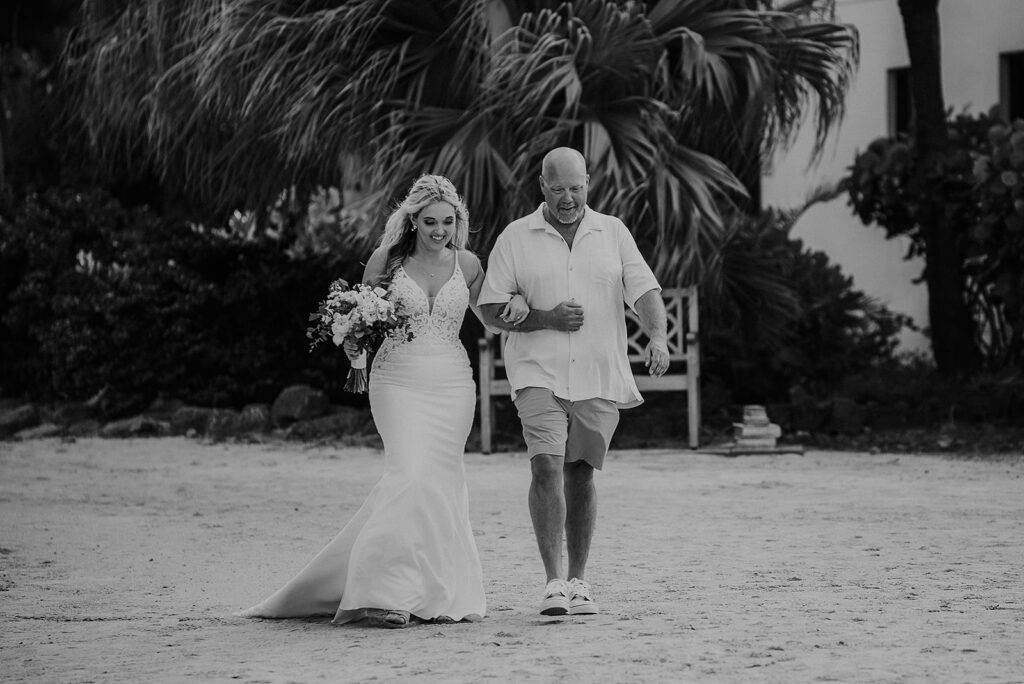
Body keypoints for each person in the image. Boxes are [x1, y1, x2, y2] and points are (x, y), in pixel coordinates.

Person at [240, 175, 529, 628]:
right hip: (397, 382)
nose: (439, 230)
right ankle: (378, 595)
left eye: (447, 222)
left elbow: (490, 319)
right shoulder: (387, 261)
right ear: (412, 220)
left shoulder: (469, 264)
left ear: (458, 222)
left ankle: (430, 591)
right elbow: (360, 320)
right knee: (409, 474)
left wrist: (516, 309)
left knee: (439, 482)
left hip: (453, 385)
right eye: (430, 221)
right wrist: (352, 344)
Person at [477, 147, 670, 617]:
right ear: (541, 186)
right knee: (545, 465)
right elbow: (487, 309)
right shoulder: (515, 238)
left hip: (596, 374)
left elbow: (643, 289)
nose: (568, 198)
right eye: (558, 189)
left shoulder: (613, 232)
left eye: (576, 188)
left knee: (580, 473)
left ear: (589, 183)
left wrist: (658, 336)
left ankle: (580, 579)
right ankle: (552, 582)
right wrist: (544, 317)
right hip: (536, 372)